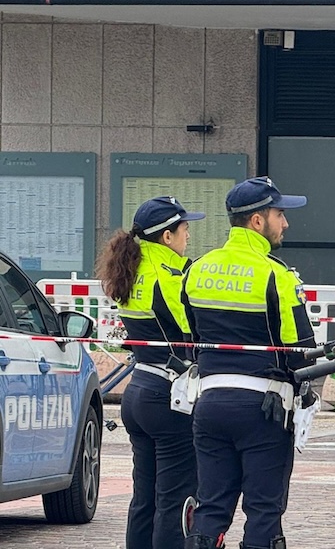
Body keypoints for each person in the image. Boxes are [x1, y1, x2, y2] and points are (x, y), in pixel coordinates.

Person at [181, 177, 317, 549]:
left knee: (210, 508)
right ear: (258, 221)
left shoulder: (197, 270)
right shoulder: (277, 275)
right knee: (263, 512)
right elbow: (302, 349)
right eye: (279, 214)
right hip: (264, 409)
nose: (285, 223)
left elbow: (192, 337)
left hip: (208, 404)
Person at [97, 196, 205, 549]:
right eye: (185, 229)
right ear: (167, 237)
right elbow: (196, 328)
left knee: (144, 499)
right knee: (175, 502)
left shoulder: (130, 270)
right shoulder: (171, 277)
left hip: (139, 389)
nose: (189, 236)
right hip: (169, 396)